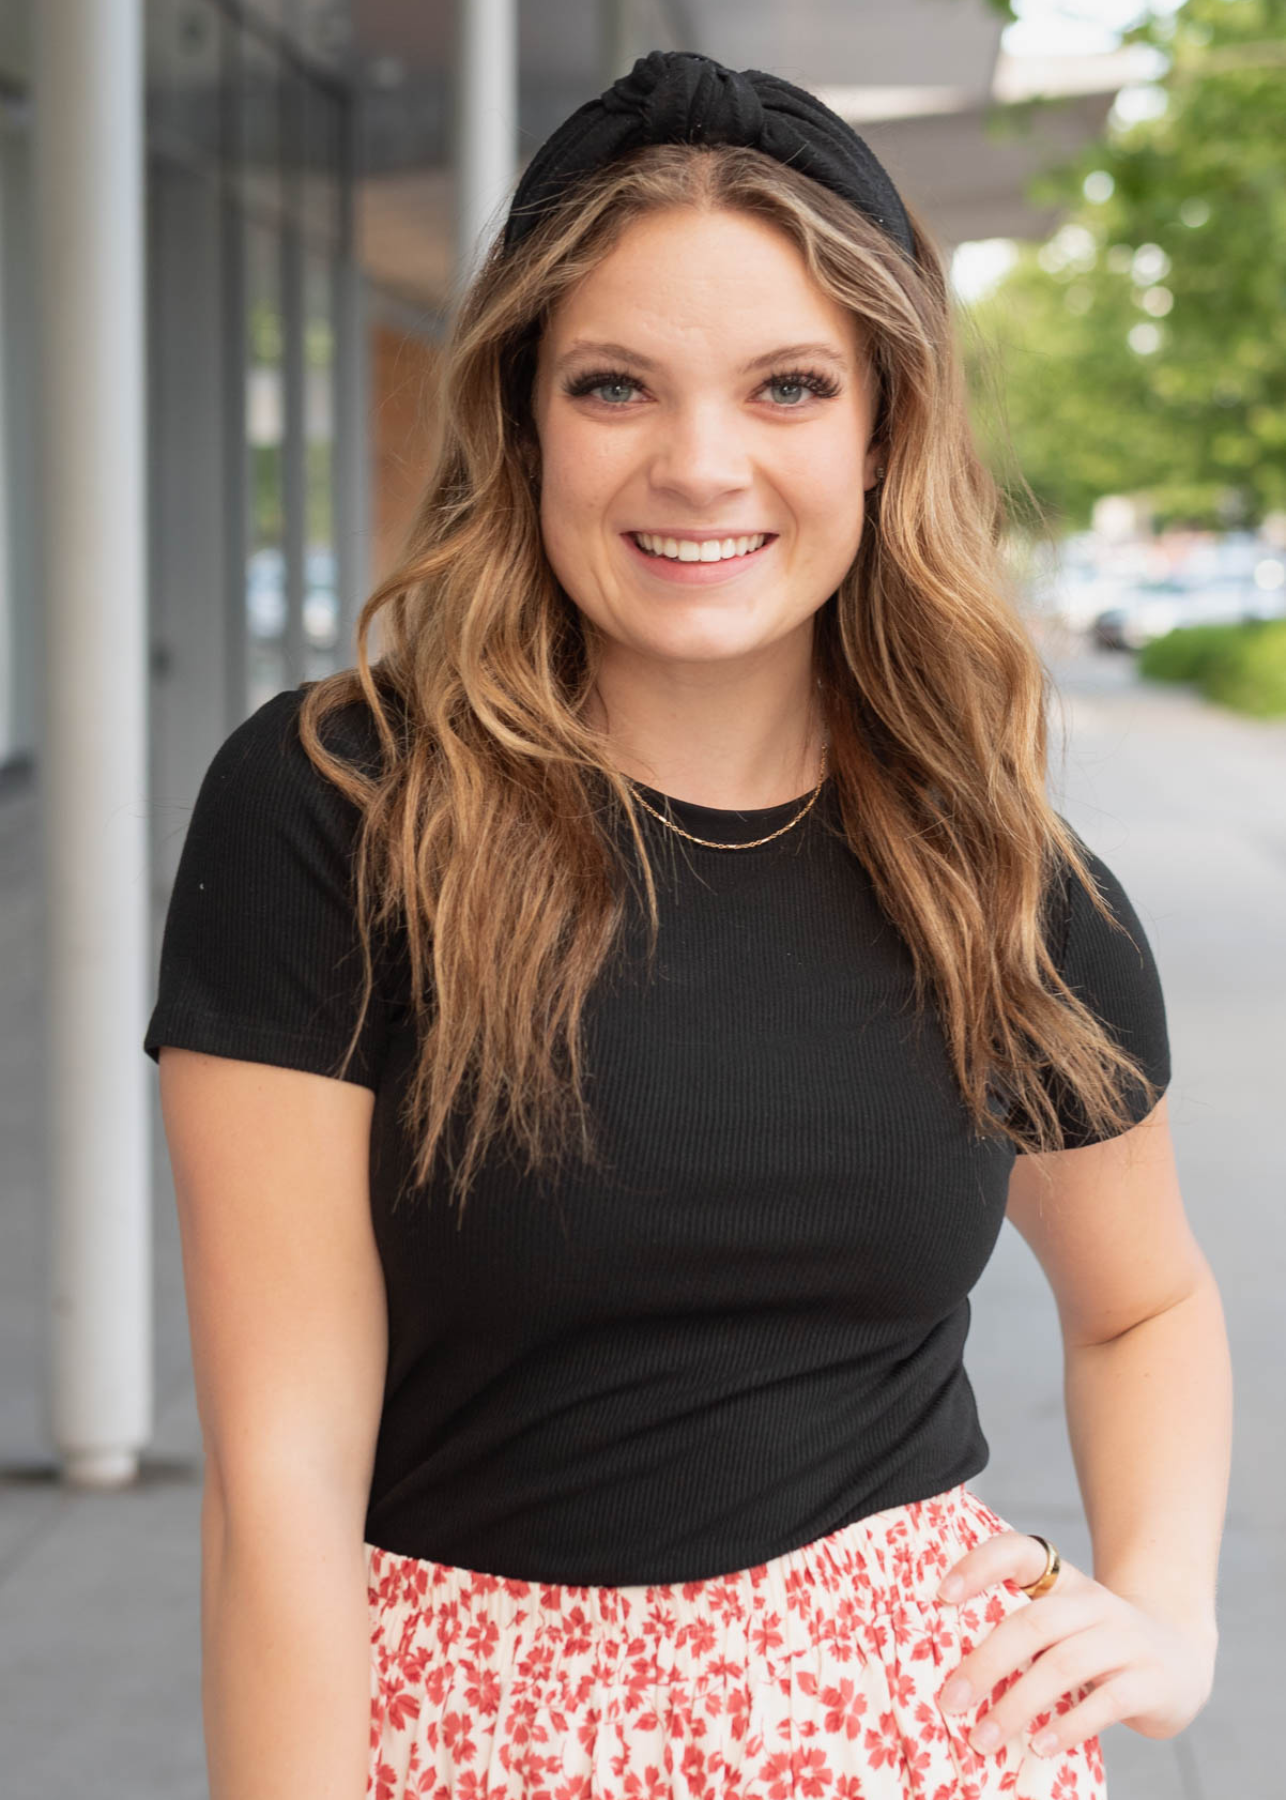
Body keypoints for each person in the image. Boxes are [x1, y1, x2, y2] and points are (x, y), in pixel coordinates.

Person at [144, 48, 1230, 1800]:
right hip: (471, 1746)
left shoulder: (993, 872)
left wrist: (1170, 1611)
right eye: (615, 386)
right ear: (521, 418)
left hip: (920, 1745)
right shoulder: (340, 810)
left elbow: (1144, 1307)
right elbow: (276, 1492)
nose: (700, 464)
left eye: (789, 387)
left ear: (885, 426)